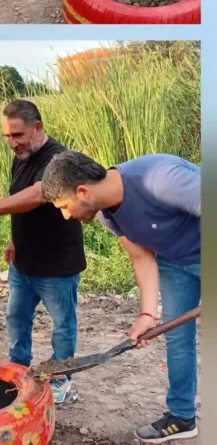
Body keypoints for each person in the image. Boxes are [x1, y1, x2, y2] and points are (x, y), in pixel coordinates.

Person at [41, 151, 201, 444]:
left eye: (64, 206)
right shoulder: (107, 214)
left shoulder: (160, 179)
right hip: (174, 262)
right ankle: (182, 416)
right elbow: (142, 257)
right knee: (178, 340)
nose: (66, 215)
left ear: (83, 191)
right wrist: (147, 315)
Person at [0, 100, 85, 405]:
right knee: (16, 318)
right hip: (24, 263)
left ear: (37, 128)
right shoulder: (21, 157)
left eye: (18, 135)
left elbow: (39, 193)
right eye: (7, 137)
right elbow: (19, 198)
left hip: (57, 264)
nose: (13, 143)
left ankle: (62, 379)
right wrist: (14, 240)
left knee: (63, 324)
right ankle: (18, 370)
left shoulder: (59, 159)